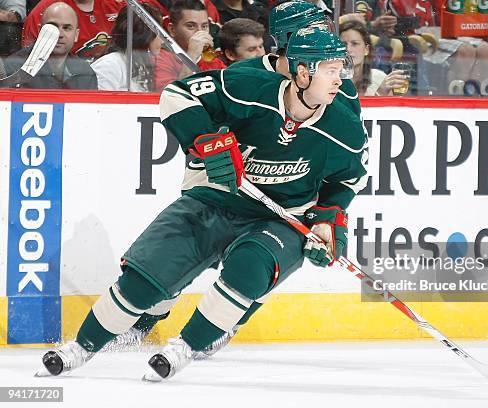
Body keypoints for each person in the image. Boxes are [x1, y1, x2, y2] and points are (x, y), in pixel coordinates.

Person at [38, 27, 368, 381]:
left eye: (341, 69)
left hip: (280, 220)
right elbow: (176, 95)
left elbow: (346, 179)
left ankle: (184, 347)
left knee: (250, 268)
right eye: (331, 70)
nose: (340, 80)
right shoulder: (248, 89)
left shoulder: (343, 126)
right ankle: (82, 347)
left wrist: (326, 220)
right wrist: (205, 140)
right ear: (303, 72)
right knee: (143, 278)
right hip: (215, 199)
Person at [232, 1, 362, 116]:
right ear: (288, 38)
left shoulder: (342, 86)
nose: (326, 39)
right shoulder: (241, 75)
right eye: (316, 33)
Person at [1, 2, 98, 89]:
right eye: (52, 26)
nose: (59, 34)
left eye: (67, 28)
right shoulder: (12, 68)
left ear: (76, 35)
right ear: (40, 30)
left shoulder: (86, 73)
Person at [153, 0, 226, 92]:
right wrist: (192, 55)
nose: (200, 32)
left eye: (204, 26)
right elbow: (171, 96)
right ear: (172, 29)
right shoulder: (160, 59)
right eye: (191, 26)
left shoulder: (213, 61)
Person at [91, 4, 163, 91]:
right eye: (159, 32)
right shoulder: (109, 65)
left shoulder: (141, 65)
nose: (162, 40)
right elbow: (101, 103)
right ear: (145, 33)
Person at [22, 0, 124, 60]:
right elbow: (30, 60)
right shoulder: (46, 11)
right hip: (66, 84)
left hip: (112, 80)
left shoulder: (117, 6)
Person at [339, 19, 407, 96]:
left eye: (355, 44)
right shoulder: (330, 80)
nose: (348, 49)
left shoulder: (379, 78)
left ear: (366, 49)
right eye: (343, 44)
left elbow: (389, 107)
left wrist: (384, 93)